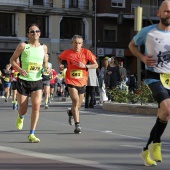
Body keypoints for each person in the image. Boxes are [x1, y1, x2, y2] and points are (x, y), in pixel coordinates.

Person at [128, 0, 170, 166]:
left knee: (163, 114)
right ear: (158, 13)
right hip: (154, 77)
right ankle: (157, 144)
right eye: (166, 11)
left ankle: (146, 150)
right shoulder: (148, 32)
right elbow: (132, 45)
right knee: (167, 108)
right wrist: (143, 57)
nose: (169, 14)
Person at [10, 23, 49, 143]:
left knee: (36, 106)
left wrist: (45, 68)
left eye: (37, 31)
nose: (35, 33)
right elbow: (12, 60)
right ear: (28, 34)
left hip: (37, 81)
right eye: (32, 31)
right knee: (23, 109)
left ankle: (31, 134)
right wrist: (20, 70)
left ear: (40, 33)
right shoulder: (23, 46)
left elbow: (45, 62)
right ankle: (20, 116)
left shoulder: (44, 48)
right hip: (23, 81)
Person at [57, 34, 98, 134]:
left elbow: (96, 65)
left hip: (82, 82)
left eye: (79, 43)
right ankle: (77, 125)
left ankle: (71, 113)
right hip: (71, 81)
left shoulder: (86, 52)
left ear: (82, 44)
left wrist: (85, 65)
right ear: (72, 43)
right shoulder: (67, 53)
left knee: (78, 106)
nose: (77, 45)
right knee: (75, 101)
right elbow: (59, 58)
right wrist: (61, 65)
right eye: (75, 43)